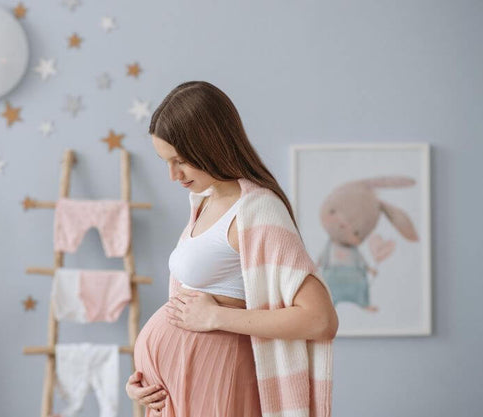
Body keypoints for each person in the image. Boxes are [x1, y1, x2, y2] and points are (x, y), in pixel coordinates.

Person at [126, 81, 339, 416]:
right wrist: (145, 379)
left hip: (218, 385)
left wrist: (217, 316)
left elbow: (320, 319)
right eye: (165, 161)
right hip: (179, 391)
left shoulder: (257, 210)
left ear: (210, 145)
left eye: (180, 161)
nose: (172, 175)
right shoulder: (204, 202)